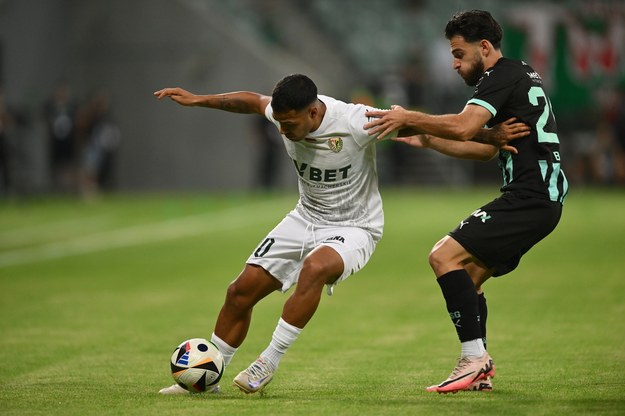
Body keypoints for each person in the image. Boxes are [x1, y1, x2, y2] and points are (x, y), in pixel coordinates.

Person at [153, 74, 524, 395]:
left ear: (314, 112)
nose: (283, 130)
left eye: (290, 123)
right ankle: (208, 377)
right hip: (304, 218)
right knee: (239, 292)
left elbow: (422, 126)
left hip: (355, 226)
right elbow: (251, 101)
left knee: (314, 269)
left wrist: (489, 136)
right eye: (279, 122)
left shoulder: (354, 121)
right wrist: (198, 99)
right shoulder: (282, 113)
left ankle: (268, 361)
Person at [365, 10, 568, 394]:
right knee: (469, 277)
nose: (455, 65)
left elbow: (464, 126)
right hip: (539, 198)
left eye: (459, 54)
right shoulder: (518, 75)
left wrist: (410, 117)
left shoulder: (499, 74)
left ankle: (474, 360)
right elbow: (483, 151)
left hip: (531, 196)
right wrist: (427, 139)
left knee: (443, 256)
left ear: (485, 47)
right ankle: (481, 369)